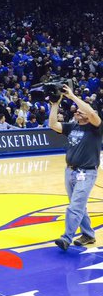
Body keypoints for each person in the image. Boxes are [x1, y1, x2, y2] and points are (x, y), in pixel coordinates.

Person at [49, 85, 103, 250]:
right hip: (70, 171)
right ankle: (88, 234)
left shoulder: (96, 128)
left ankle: (66, 238)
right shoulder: (73, 126)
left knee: (75, 206)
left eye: (81, 111)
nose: (77, 112)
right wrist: (54, 104)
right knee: (78, 205)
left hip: (86, 173)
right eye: (77, 110)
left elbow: (92, 113)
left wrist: (72, 96)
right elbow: (53, 124)